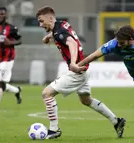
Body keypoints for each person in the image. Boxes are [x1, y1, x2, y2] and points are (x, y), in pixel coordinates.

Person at [36, 6, 126, 139]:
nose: (40, 24)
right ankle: (116, 121)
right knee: (86, 100)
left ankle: (54, 130)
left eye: (41, 21)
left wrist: (73, 63)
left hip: (77, 71)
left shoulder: (58, 31)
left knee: (47, 94)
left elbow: (71, 42)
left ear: (50, 18)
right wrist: (49, 36)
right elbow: (64, 34)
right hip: (84, 69)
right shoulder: (62, 25)